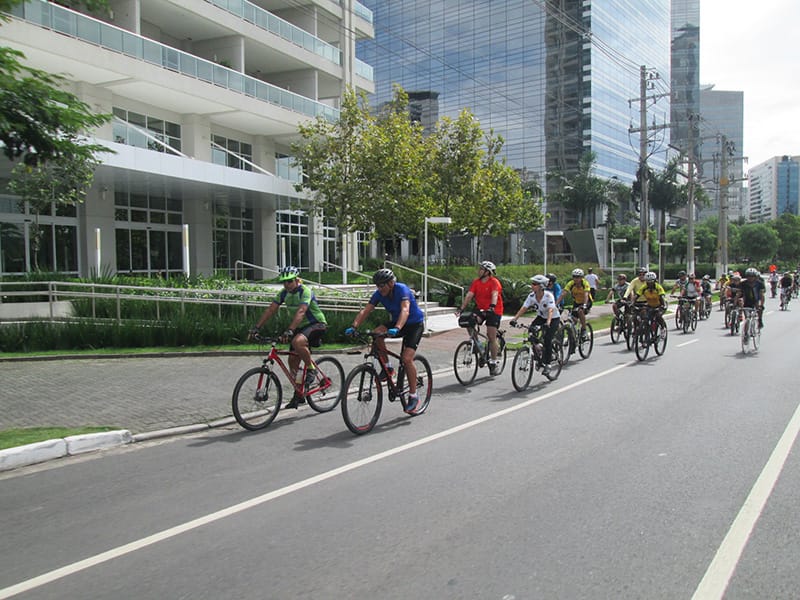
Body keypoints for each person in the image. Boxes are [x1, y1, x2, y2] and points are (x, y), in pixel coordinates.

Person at [346, 268, 425, 414]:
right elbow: (366, 310)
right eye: (377, 286)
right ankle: (388, 367)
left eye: (382, 285)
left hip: (414, 325)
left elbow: (405, 310)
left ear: (391, 283)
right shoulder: (378, 294)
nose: (379, 288)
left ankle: (413, 395)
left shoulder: (402, 289)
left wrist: (397, 328)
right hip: (397, 323)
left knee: (406, 359)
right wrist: (354, 326)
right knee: (377, 334)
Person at [250, 266, 328, 409]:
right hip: (300, 327)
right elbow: (271, 309)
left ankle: (311, 369)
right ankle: (299, 394)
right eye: (284, 282)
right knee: (292, 362)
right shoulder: (284, 293)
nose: (287, 284)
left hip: (316, 324)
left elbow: (301, 311)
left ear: (297, 280)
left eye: (290, 281)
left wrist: (290, 330)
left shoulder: (305, 291)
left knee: (298, 342)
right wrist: (256, 327)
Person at [457, 260, 504, 375]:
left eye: (481, 269)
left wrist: (492, 306)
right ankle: (479, 346)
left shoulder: (494, 282)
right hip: (481, 309)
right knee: (468, 321)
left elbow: (494, 294)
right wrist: (461, 308)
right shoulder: (476, 282)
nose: (479, 271)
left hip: (494, 310)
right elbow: (469, 295)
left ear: (488, 272)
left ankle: (493, 362)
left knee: (491, 337)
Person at [509, 275, 558, 376]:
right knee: (531, 331)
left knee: (547, 339)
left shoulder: (548, 296)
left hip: (553, 318)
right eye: (532, 283)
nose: (532, 286)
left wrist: (548, 322)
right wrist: (515, 319)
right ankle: (538, 350)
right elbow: (524, 308)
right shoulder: (531, 296)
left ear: (541, 286)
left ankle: (548, 364)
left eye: (535, 284)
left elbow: (550, 310)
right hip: (541, 317)